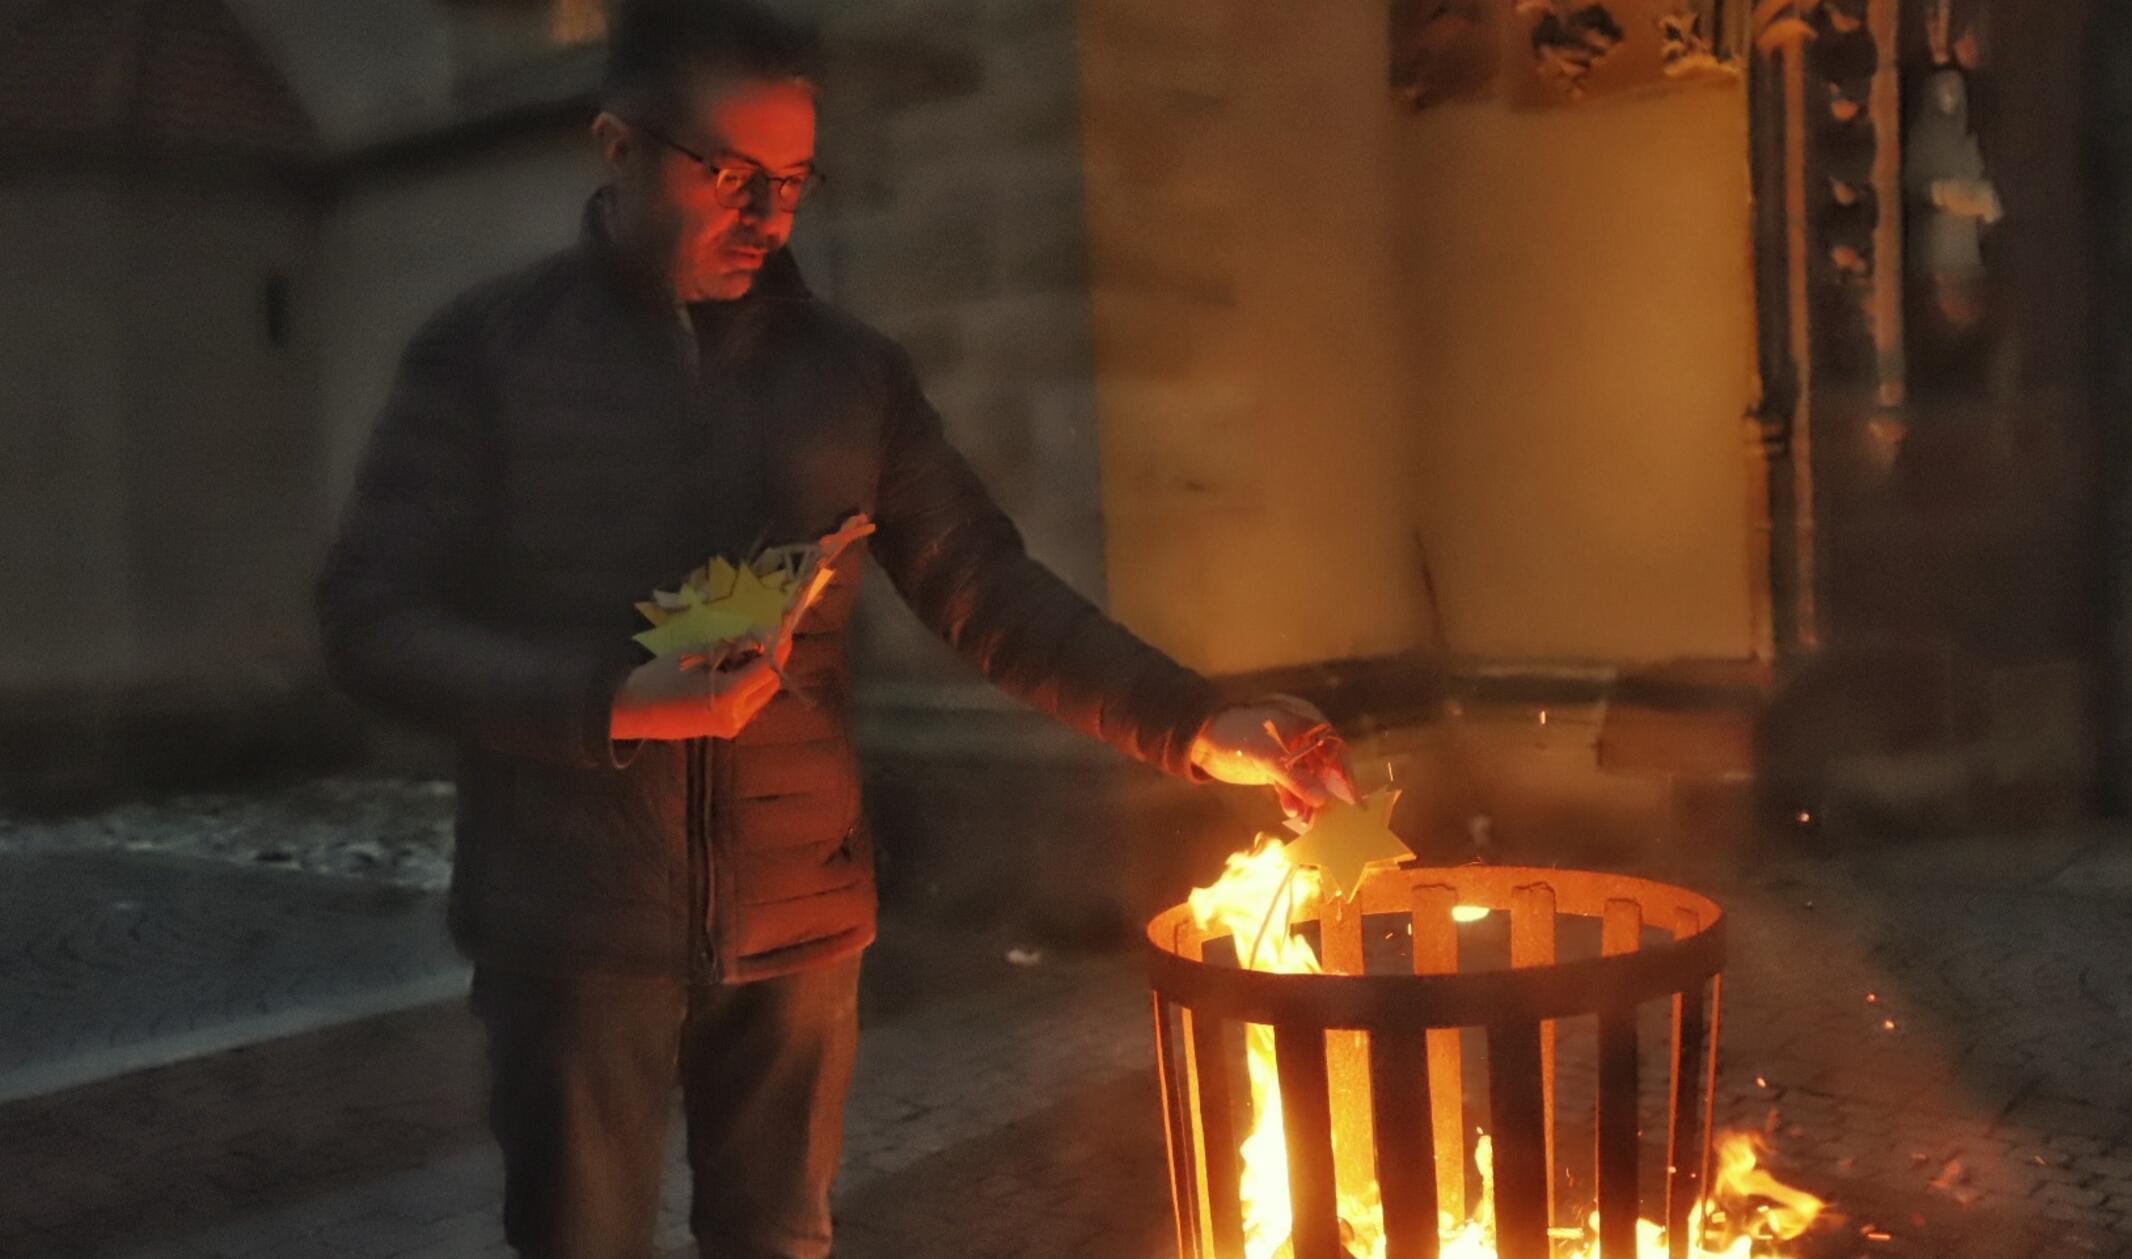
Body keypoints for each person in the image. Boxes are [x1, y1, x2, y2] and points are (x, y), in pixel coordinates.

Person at [313, 2, 1356, 1255]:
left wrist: (1200, 722)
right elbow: (373, 620)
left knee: (779, 1239)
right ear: (618, 146)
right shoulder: (485, 358)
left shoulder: (848, 375)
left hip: (794, 920)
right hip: (573, 923)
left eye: (796, 181)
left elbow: (988, 588)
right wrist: (610, 701)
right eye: (732, 177)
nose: (770, 218)